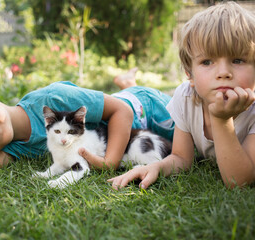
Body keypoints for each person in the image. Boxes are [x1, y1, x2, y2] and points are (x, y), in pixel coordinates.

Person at [0, 70, 174, 170]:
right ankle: (127, 82)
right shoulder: (12, 148)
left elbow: (121, 113)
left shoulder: (54, 98)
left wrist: (111, 162)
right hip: (125, 129)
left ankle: (131, 85)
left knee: (193, 139)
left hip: (145, 110)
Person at [108, 1, 255, 190]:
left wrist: (221, 119)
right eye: (207, 61)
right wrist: (156, 167)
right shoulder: (186, 97)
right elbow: (181, 157)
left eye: (237, 60)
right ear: (189, 74)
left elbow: (240, 181)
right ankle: (129, 84)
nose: (223, 72)